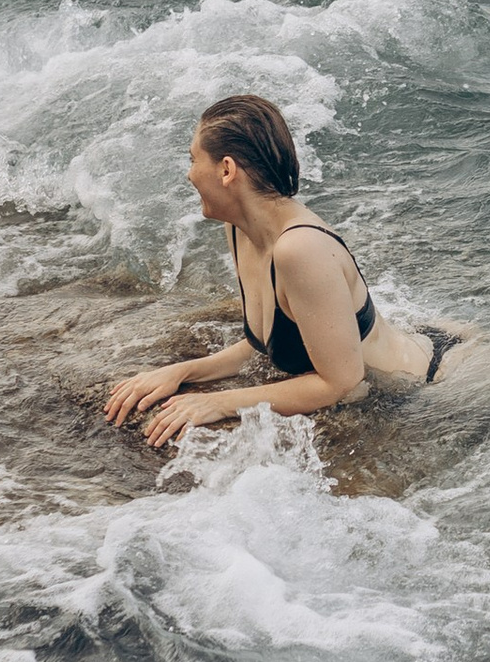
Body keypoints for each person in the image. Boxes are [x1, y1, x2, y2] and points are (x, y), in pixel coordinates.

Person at [103, 90, 465, 448]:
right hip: (415, 359)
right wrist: (183, 371)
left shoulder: (300, 249)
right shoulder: (242, 228)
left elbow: (341, 382)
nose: (189, 175)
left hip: (442, 376)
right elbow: (264, 342)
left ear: (226, 170)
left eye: (193, 159)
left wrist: (217, 403)